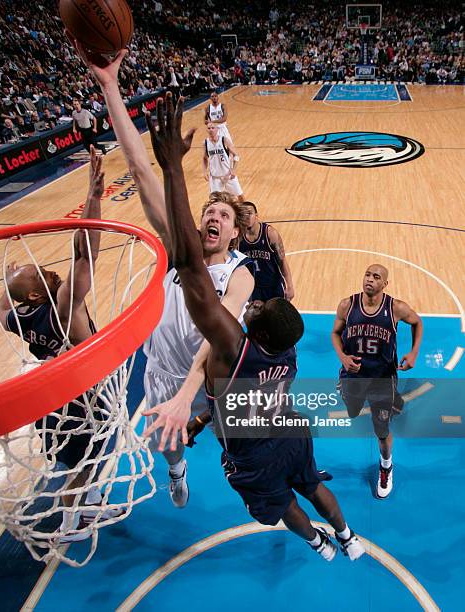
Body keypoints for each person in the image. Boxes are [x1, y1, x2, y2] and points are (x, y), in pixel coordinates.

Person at [145, 93, 365, 562]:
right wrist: (202, 416)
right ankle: (347, 537)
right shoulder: (284, 357)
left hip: (255, 451)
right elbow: (236, 399)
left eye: (256, 313)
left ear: (256, 332)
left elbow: (188, 265)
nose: (252, 308)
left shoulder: (232, 344)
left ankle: (316, 543)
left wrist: (170, 170)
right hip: (290, 430)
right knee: (310, 484)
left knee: (283, 504)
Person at [67, 41, 254, 508]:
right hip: (162, 375)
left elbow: (217, 337)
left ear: (233, 233)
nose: (213, 216)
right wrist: (109, 85)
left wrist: (187, 395)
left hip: (209, 379)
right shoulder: (179, 251)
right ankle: (176, 470)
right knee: (166, 448)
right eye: (208, 210)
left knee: (237, 439)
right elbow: (141, 169)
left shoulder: (240, 274)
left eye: (223, 215)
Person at [0, 147, 122, 541]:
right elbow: (85, 253)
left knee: (88, 458)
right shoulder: (63, 309)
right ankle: (71, 525)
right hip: (77, 401)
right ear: (35, 295)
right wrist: (94, 196)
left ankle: (92, 504)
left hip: (51, 399)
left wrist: (8, 276)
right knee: (80, 466)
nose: (50, 273)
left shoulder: (23, 317)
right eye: (41, 276)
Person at [331, 265, 423, 498]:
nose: (370, 280)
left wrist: (414, 353)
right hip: (353, 376)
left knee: (381, 430)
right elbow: (335, 333)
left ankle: (386, 466)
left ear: (385, 284)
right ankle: (395, 401)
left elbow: (417, 322)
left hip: (382, 379)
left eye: (376, 277)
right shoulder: (347, 305)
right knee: (352, 412)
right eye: (367, 274)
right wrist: (343, 357)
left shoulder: (396, 308)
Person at [239, 202, 295, 301]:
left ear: (256, 215)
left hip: (273, 286)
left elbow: (282, 261)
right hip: (253, 288)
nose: (246, 217)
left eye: (249, 213)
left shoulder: (270, 234)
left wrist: (290, 286)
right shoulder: (238, 238)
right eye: (243, 214)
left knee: (277, 316)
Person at [203, 123, 244, 202]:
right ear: (206, 130)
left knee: (240, 196)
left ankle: (246, 213)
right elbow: (204, 158)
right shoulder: (205, 143)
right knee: (214, 201)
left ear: (217, 129)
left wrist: (233, 170)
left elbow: (236, 156)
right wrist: (204, 171)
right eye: (209, 128)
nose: (211, 130)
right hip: (215, 178)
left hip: (228, 175)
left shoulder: (224, 140)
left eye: (213, 128)